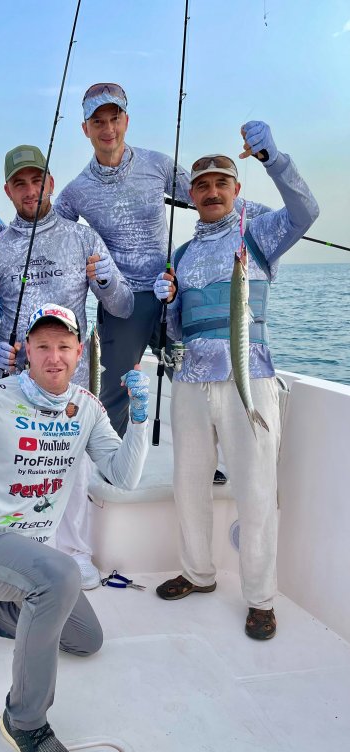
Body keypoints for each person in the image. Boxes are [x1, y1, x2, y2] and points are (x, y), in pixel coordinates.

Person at [0, 303, 150, 752]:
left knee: (87, 640)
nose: (53, 356)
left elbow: (123, 477)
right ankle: (24, 720)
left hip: (26, 555)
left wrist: (140, 420)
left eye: (64, 346)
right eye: (42, 345)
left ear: (80, 352)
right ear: (26, 350)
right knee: (60, 576)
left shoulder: (87, 408)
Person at [53, 83, 269, 486]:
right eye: (98, 121)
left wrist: (261, 216)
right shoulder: (76, 190)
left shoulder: (157, 164)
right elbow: (53, 234)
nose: (108, 129)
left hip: (172, 290)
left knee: (190, 377)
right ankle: (110, 465)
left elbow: (206, 195)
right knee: (113, 389)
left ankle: (210, 460)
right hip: (122, 303)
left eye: (114, 118)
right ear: (85, 129)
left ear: (126, 121)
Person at [152, 121, 319, 639]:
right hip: (190, 382)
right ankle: (198, 573)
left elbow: (306, 212)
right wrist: (167, 302)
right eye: (201, 186)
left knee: (256, 488)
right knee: (189, 484)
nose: (211, 192)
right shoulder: (180, 255)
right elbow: (175, 333)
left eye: (221, 183)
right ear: (191, 196)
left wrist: (274, 158)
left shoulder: (259, 231)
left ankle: (261, 597)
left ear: (236, 188)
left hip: (251, 376)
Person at [0, 144, 134, 589]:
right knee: (13, 469)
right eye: (20, 183)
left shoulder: (83, 239)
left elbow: (122, 305)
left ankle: (76, 553)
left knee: (74, 470)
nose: (30, 190)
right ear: (7, 190)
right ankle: (17, 554)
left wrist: (105, 279)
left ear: (51, 183)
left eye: (37, 180)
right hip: (14, 385)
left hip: (72, 384)